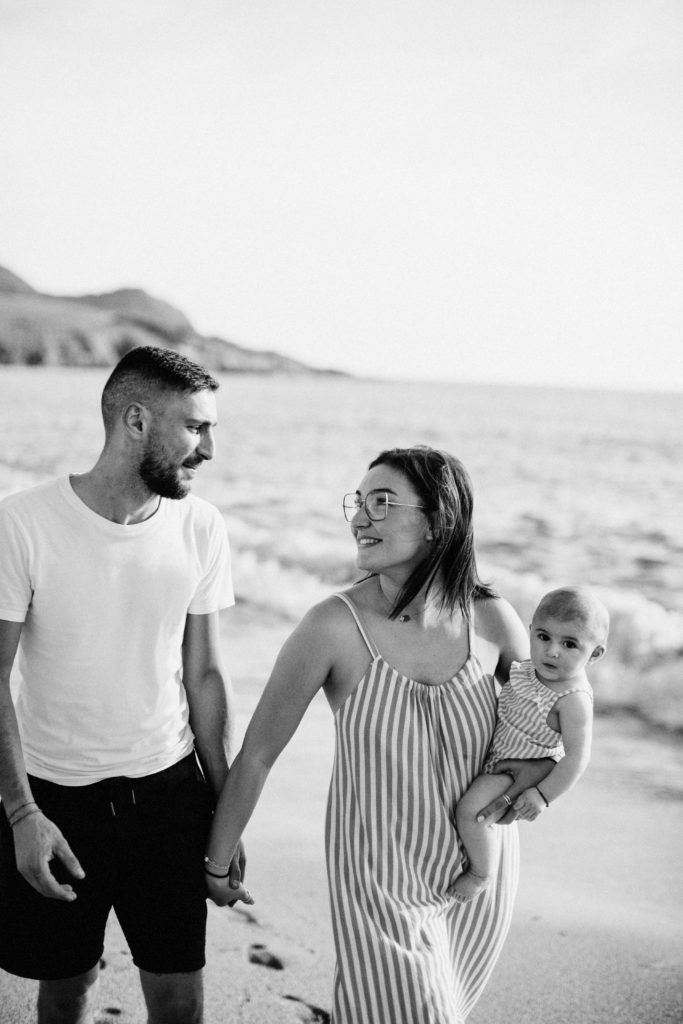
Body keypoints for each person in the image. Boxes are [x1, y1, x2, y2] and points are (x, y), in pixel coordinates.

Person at [205, 445, 553, 1024]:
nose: (360, 518)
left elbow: (542, 729)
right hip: (381, 878)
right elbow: (260, 754)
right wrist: (217, 865)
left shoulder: (491, 620)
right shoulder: (332, 626)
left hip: (478, 875)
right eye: (358, 502)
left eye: (382, 502)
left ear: (438, 519)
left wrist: (540, 785)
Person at [0, 346, 248, 1024]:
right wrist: (23, 815)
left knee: (178, 996)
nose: (208, 451)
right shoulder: (20, 524)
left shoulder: (201, 527)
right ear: (135, 420)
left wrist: (225, 811)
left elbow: (204, 674)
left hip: (169, 798)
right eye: (196, 428)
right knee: (67, 987)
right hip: (56, 803)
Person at [450, 586, 607, 903]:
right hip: (498, 757)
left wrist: (541, 795)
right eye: (544, 637)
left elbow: (577, 757)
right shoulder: (527, 671)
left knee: (470, 813)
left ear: (595, 654)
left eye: (570, 644)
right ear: (531, 631)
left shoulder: (572, 699)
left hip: (515, 771)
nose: (552, 651)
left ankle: (482, 872)